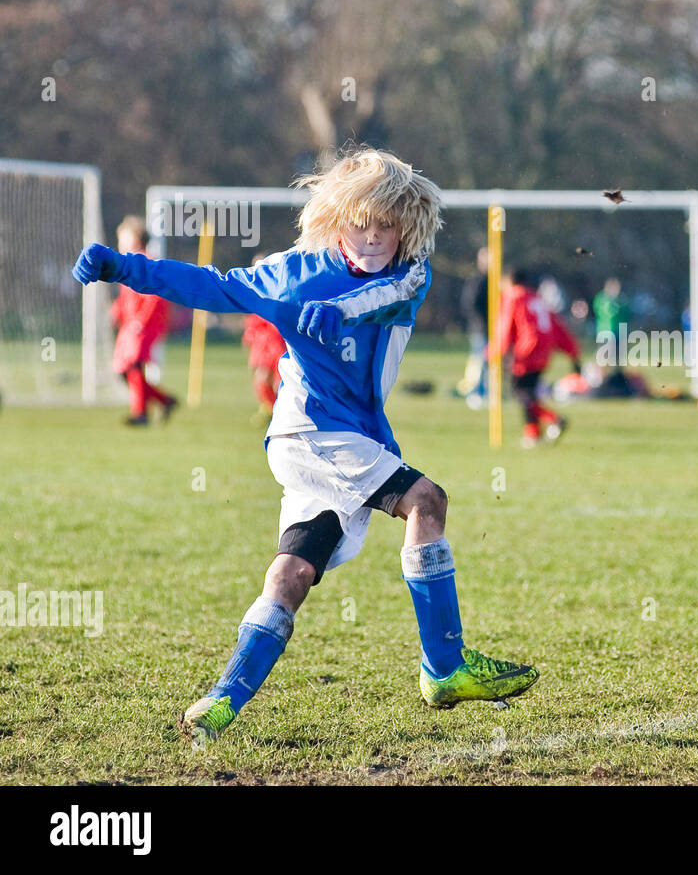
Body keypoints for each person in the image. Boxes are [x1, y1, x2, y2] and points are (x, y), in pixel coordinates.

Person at [73, 148, 539, 746]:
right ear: (338, 219)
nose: (373, 238)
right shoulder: (291, 273)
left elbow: (376, 299)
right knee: (426, 501)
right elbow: (210, 286)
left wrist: (335, 311)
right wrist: (124, 267)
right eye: (360, 223)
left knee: (291, 573)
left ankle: (221, 701)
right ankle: (446, 668)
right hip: (310, 431)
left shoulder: (413, 272)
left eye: (386, 225)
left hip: (346, 439)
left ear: (407, 225)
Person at [490, 266, 581, 448]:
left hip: (527, 350)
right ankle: (533, 435)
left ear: (510, 281)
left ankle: (554, 419)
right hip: (544, 351)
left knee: (520, 393)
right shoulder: (538, 299)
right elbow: (558, 328)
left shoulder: (513, 296)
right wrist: (573, 354)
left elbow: (505, 326)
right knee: (528, 392)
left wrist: (497, 352)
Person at [108, 216, 177, 426]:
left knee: (134, 365)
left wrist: (141, 320)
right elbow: (127, 296)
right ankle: (165, 400)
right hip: (130, 325)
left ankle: (141, 414)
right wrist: (116, 311)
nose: (120, 241)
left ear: (136, 238)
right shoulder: (128, 262)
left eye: (124, 237)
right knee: (122, 370)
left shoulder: (145, 262)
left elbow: (153, 296)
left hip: (144, 325)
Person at [241, 253, 287, 422]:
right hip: (265, 344)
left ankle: (279, 413)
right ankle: (272, 410)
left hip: (280, 344)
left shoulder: (280, 288)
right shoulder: (255, 289)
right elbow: (254, 319)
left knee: (280, 383)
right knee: (261, 380)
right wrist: (250, 334)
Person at [456, 246, 490, 408]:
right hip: (481, 329)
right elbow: (470, 304)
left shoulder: (496, 279)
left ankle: (489, 392)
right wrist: (482, 323)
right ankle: (476, 392)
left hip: (495, 329)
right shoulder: (478, 280)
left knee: (491, 363)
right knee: (480, 361)